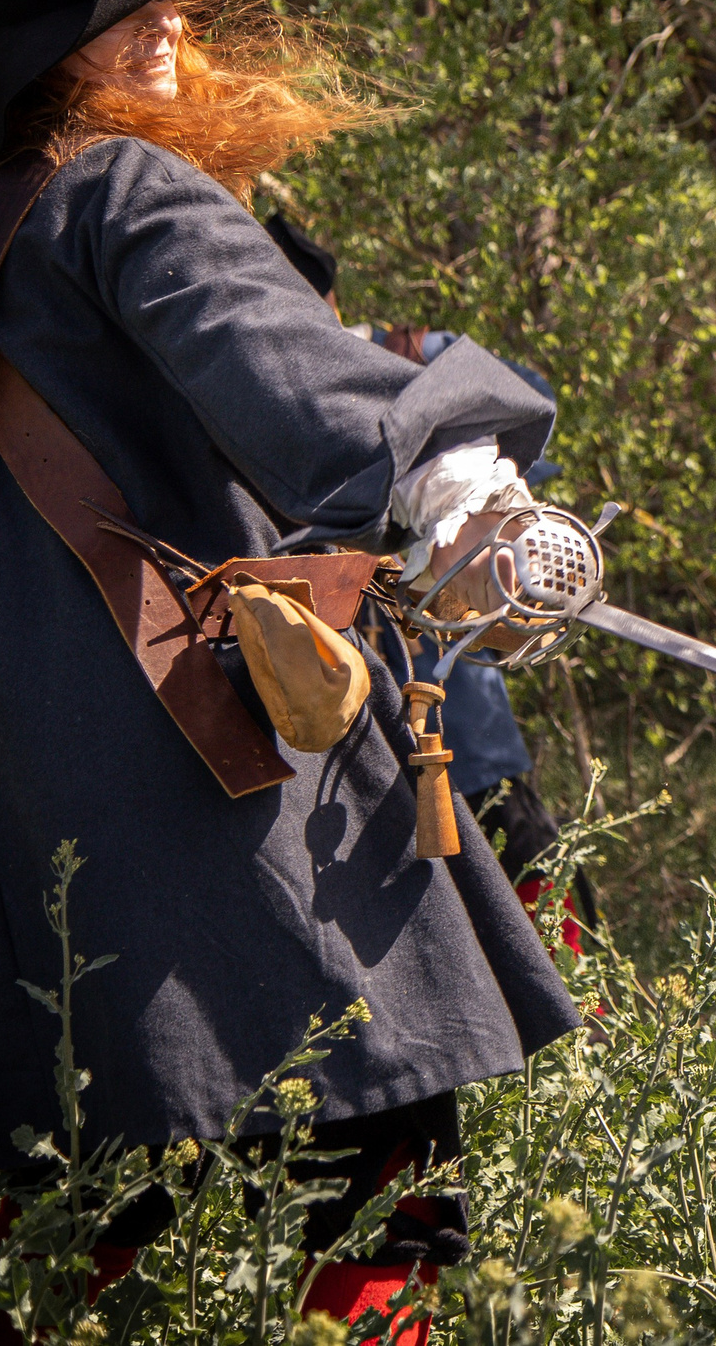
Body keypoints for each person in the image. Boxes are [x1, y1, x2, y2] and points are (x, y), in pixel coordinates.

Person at [0, 0, 582, 1341]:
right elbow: (289, 373)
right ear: (47, 53)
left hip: (47, 796)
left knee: (109, 1171)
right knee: (384, 1129)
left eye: (169, 9)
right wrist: (458, 483)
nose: (165, 35)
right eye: (123, 14)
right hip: (205, 774)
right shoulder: (125, 187)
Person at [264, 213, 594, 954]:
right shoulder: (262, 412)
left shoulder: (411, 360)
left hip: (461, 716)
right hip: (348, 714)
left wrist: (422, 443)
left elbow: (521, 414)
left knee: (536, 887)